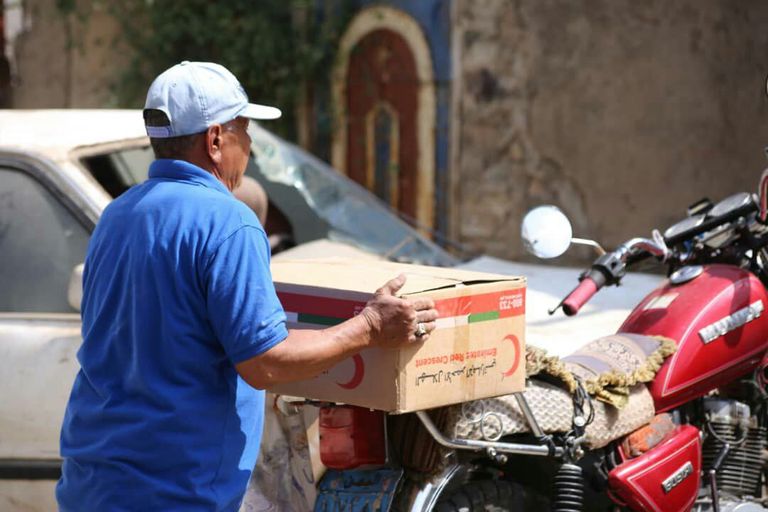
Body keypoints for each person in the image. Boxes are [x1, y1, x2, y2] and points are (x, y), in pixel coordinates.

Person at [56, 61, 438, 511]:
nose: (251, 145)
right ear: (215, 140)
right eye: (245, 129)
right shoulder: (228, 222)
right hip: (175, 492)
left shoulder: (119, 215)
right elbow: (266, 364)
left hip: (92, 480)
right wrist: (370, 327)